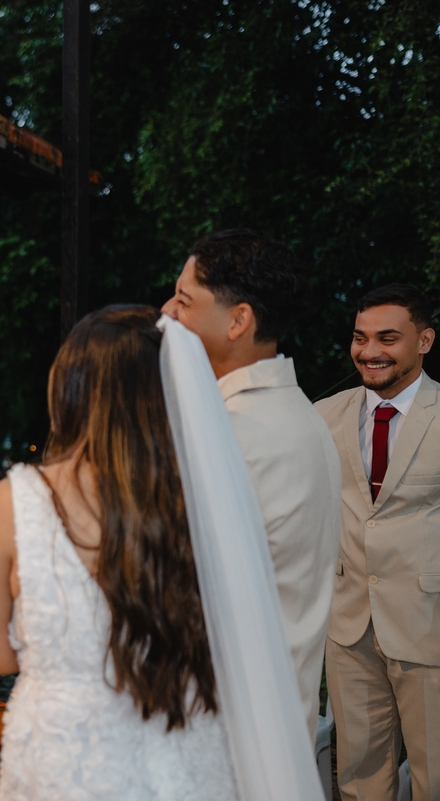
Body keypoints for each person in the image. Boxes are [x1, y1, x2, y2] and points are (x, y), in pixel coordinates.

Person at [0, 305, 238, 800]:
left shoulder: (11, 503)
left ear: (68, 392)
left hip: (66, 760)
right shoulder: (208, 499)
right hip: (183, 746)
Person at [162, 229, 342, 740]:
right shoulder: (301, 417)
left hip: (223, 726)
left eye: (183, 300)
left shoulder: (232, 435)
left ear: (238, 320)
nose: (167, 313)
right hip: (278, 717)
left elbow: (176, 592)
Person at [315, 284, 438, 801]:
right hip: (348, 629)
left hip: (430, 624)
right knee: (359, 779)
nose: (369, 351)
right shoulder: (323, 416)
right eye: (360, 337)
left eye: (387, 338)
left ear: (424, 340)